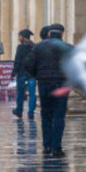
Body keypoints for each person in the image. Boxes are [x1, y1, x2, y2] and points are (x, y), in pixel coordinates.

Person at [26, 24, 73, 156]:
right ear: (62, 34)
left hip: (44, 83)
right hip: (62, 84)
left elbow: (28, 64)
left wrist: (37, 75)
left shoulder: (38, 47)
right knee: (59, 116)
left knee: (45, 114)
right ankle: (56, 147)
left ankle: (46, 145)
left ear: (49, 34)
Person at [11, 28, 36, 119]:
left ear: (23, 37)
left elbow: (17, 60)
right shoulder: (34, 46)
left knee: (20, 93)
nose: (18, 38)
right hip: (32, 74)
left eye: (19, 36)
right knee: (32, 94)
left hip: (22, 73)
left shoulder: (20, 47)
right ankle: (31, 112)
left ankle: (19, 110)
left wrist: (13, 73)